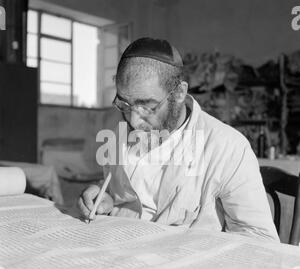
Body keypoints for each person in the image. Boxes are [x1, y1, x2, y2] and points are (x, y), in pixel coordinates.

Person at [78, 37, 279, 242]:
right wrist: (106, 196)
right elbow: (123, 188)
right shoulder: (120, 132)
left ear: (180, 93)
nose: (134, 121)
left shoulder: (228, 147)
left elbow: (260, 238)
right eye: (124, 105)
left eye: (148, 106)